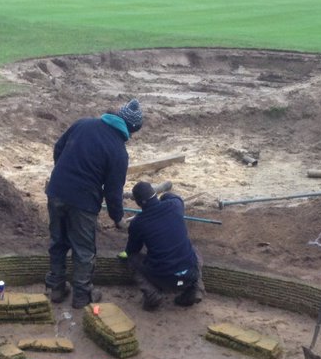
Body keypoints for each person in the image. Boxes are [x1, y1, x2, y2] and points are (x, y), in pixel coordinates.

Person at [44, 98, 143, 309]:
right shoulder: (118, 151)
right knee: (83, 249)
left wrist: (64, 174)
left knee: (58, 241)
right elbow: (113, 192)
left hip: (56, 191)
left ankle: (56, 288)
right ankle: (82, 295)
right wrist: (118, 218)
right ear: (131, 129)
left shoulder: (83, 123)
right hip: (83, 202)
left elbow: (58, 148)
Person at [119, 181, 204, 310]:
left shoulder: (138, 223)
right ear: (155, 194)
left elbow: (132, 250)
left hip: (162, 278)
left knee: (132, 259)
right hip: (190, 274)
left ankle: (153, 295)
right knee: (194, 251)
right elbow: (174, 197)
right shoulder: (174, 206)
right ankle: (195, 289)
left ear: (138, 203)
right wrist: (164, 196)